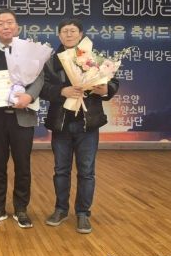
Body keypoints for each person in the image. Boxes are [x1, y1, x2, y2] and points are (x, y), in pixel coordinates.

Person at [40, 19, 119, 234]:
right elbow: (42, 88)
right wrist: (61, 92)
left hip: (88, 124)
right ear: (59, 36)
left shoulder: (94, 58)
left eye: (73, 31)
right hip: (61, 124)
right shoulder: (51, 62)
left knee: (87, 172)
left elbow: (113, 82)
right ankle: (60, 209)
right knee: (61, 170)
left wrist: (104, 89)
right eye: (64, 31)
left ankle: (83, 213)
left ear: (81, 34)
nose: (69, 34)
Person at [0, 9, 44, 229]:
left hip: (22, 117)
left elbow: (39, 78)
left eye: (9, 22)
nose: (5, 26)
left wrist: (29, 96)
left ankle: (21, 209)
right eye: (0, 23)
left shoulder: (30, 51)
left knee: (23, 166)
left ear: (17, 27)